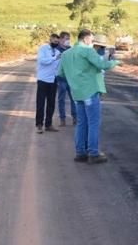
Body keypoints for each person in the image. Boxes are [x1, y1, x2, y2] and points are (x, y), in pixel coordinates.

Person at [57, 29, 119, 164]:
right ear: (85, 39)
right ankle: (93, 152)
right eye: (91, 40)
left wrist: (75, 78)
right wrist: (115, 62)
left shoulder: (66, 54)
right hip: (90, 91)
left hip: (77, 92)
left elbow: (60, 73)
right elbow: (102, 65)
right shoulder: (87, 51)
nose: (92, 43)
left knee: (81, 123)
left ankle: (80, 152)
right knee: (93, 122)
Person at [35, 33, 62, 133]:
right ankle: (39, 124)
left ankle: (48, 124)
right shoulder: (43, 49)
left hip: (53, 80)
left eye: (57, 42)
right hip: (42, 79)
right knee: (40, 103)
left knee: (51, 103)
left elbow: (58, 66)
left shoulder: (58, 52)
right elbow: (42, 61)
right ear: (50, 39)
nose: (56, 43)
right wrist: (54, 58)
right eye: (54, 41)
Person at [56, 31, 77, 127]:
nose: (67, 41)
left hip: (70, 77)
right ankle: (62, 119)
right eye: (66, 38)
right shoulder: (56, 50)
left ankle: (75, 117)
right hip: (61, 78)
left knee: (74, 98)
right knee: (61, 99)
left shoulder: (71, 49)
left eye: (69, 39)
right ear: (60, 39)